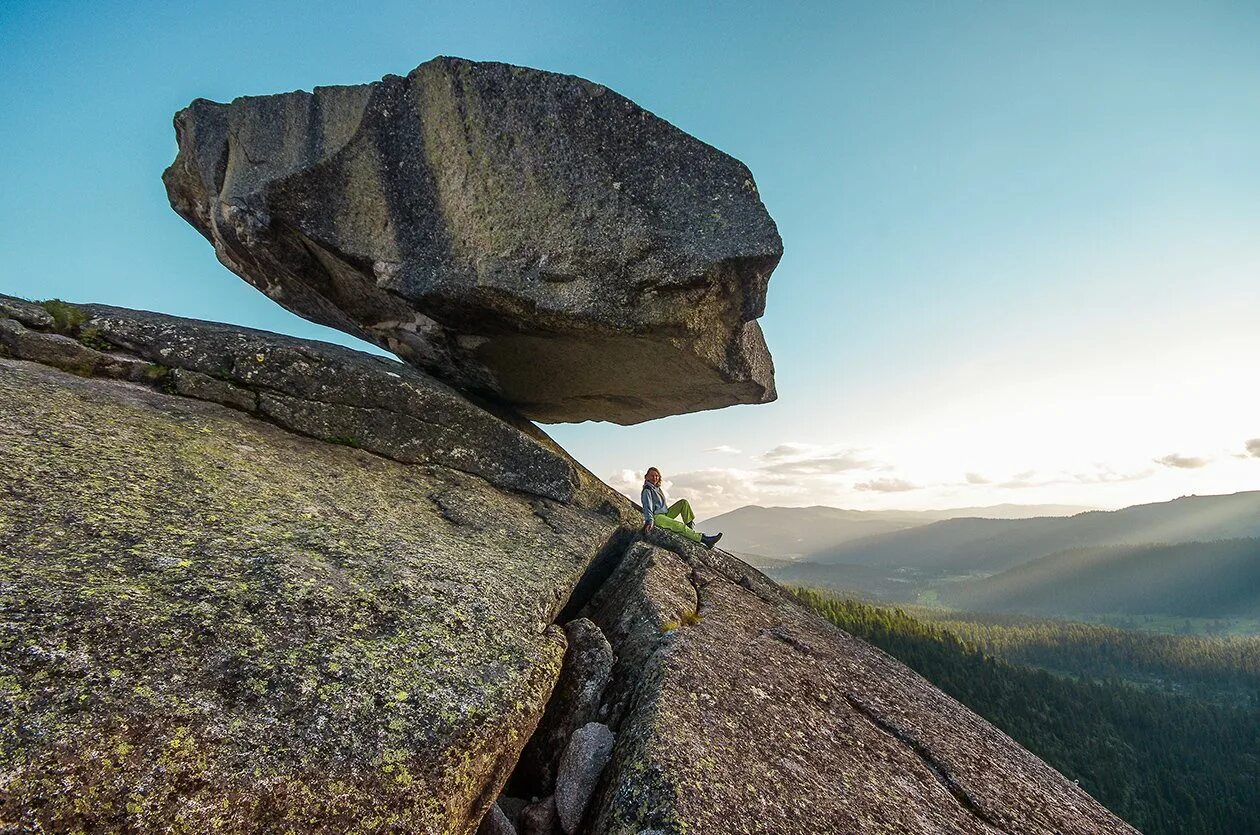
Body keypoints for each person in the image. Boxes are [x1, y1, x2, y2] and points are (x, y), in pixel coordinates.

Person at [640, 467, 723, 549]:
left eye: (657, 476)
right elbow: (647, 507)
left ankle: (690, 531)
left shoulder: (657, 488)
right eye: (652, 476)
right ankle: (705, 539)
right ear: (646, 477)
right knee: (679, 526)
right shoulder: (647, 490)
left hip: (665, 513)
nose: (655, 478)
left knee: (683, 503)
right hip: (657, 517)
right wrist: (649, 521)